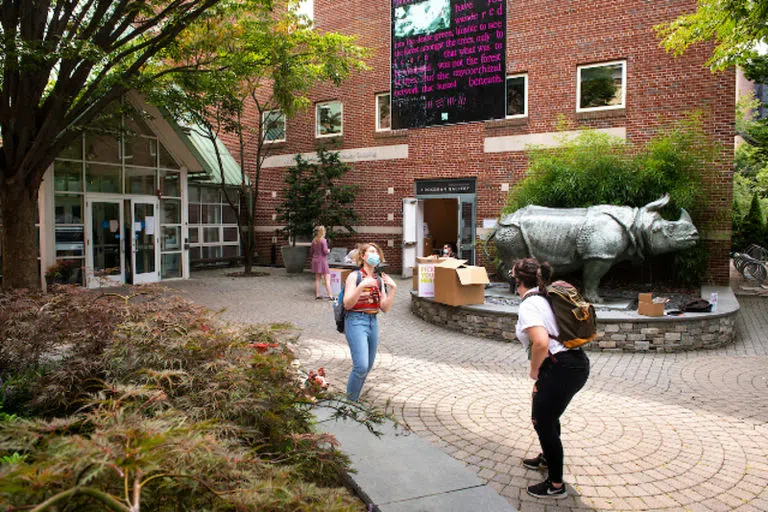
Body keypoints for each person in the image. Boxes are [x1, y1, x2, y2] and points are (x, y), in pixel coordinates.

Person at [511, 257, 590, 500]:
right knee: (548, 416)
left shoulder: (529, 305)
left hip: (560, 367)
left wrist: (534, 371)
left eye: (511, 274)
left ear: (516, 280)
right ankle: (547, 456)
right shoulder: (543, 296)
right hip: (573, 364)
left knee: (542, 421)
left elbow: (541, 342)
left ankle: (556, 485)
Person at [342, 242, 397, 401]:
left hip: (373, 322)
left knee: (367, 367)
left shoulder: (378, 280)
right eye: (371, 251)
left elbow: (384, 307)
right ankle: (349, 403)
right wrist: (361, 286)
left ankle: (354, 398)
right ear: (363, 256)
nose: (375, 255)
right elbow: (347, 303)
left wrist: (393, 289)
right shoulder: (355, 276)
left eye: (377, 252)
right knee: (361, 366)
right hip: (356, 320)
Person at [310, 226, 334, 300]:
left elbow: (311, 251)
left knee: (317, 278)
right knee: (327, 278)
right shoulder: (323, 240)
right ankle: (330, 296)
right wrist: (329, 251)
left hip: (315, 260)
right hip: (322, 260)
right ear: (323, 232)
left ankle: (317, 295)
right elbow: (325, 251)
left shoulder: (314, 240)